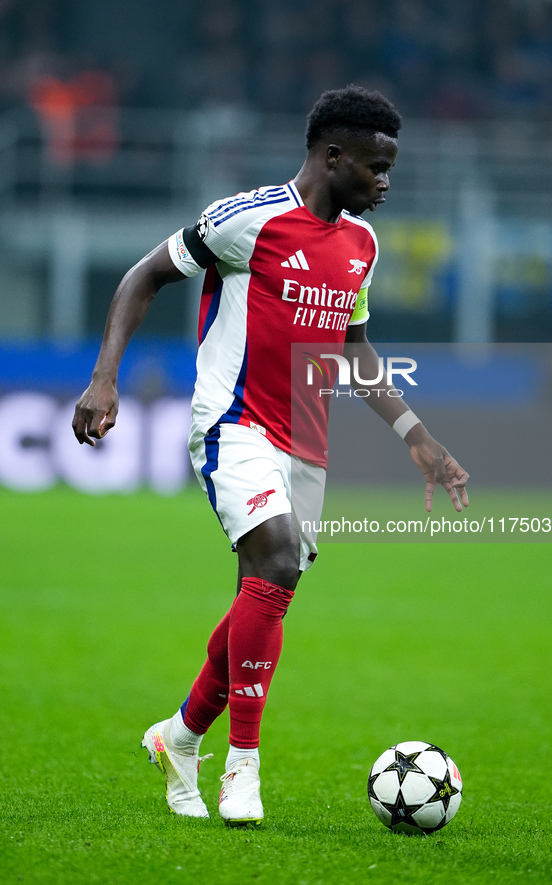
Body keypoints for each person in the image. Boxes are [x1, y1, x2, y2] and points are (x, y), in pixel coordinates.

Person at [72, 85, 469, 827]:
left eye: (389, 169)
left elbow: (352, 347)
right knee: (277, 560)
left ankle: (180, 736)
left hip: (306, 442)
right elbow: (143, 275)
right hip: (232, 422)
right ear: (332, 156)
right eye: (376, 168)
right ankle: (242, 768)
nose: (385, 182)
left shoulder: (363, 245)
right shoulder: (245, 219)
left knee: (262, 595)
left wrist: (415, 433)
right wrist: (103, 379)